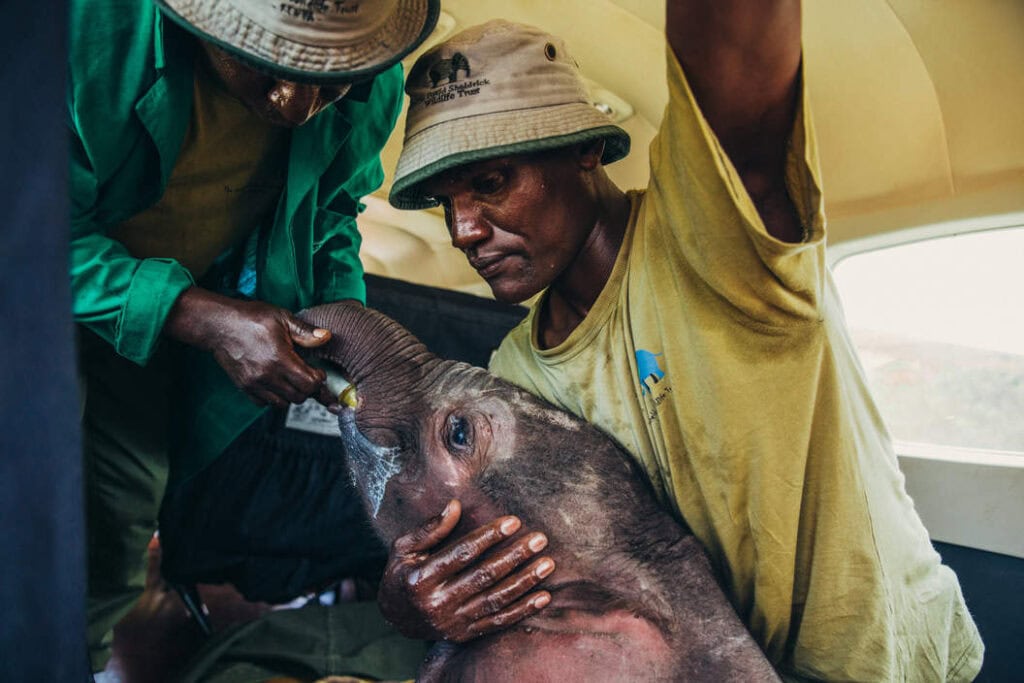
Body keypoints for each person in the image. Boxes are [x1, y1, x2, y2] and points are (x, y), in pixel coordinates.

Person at [377, 4, 985, 681]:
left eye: (490, 182)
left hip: (885, 663)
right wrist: (410, 600)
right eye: (444, 202)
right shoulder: (514, 370)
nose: (461, 230)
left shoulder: (714, 243)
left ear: (583, 147)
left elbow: (740, 60)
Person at [69, 0, 439, 673]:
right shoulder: (87, 32)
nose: (296, 105)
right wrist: (203, 316)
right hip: (30, 307)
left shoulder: (366, 77)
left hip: (138, 341)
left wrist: (354, 349)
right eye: (269, 68)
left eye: (328, 82)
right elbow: (25, 232)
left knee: (118, 516)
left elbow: (329, 212)